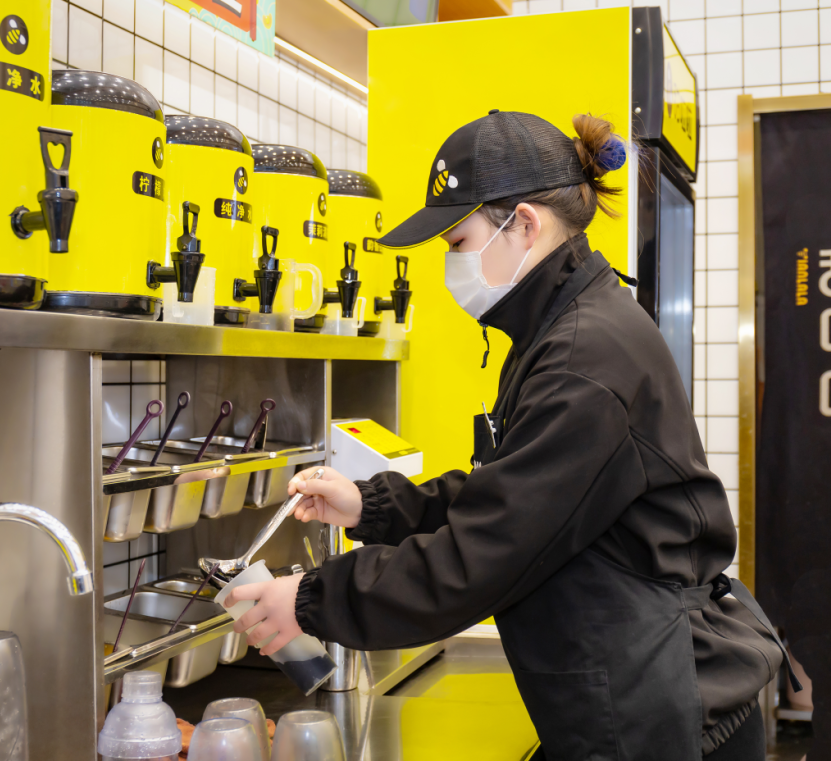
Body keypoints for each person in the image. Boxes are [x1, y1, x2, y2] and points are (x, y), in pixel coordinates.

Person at [222, 110, 796, 760]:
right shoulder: (558, 330)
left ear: (522, 223)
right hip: (629, 688)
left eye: (457, 243)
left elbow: (484, 552)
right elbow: (508, 494)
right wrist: (373, 506)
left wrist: (311, 597)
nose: (449, 266)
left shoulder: (587, 356)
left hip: (659, 713)